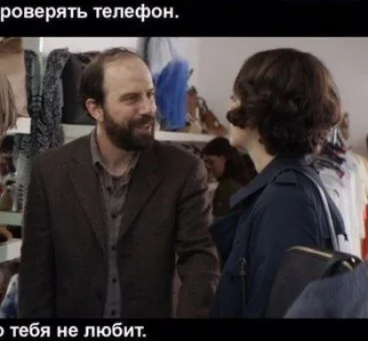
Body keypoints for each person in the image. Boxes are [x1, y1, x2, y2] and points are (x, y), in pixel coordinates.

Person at [18, 48, 220, 318]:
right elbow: (35, 275)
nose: (148, 109)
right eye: (131, 99)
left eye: (150, 94)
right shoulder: (51, 170)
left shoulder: (183, 170)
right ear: (95, 109)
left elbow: (200, 260)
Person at [209, 48, 346, 318]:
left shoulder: (285, 199)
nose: (228, 108)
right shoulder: (291, 188)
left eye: (234, 97)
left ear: (260, 109)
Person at [202, 136, 256, 218]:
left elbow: (221, 221)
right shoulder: (243, 178)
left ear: (224, 159)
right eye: (205, 163)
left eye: (210, 161)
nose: (207, 167)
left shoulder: (228, 187)